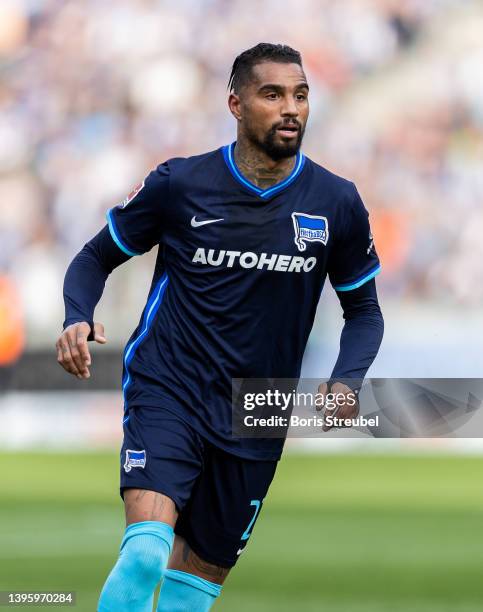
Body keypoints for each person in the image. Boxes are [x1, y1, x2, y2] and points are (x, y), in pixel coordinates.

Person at [57, 43, 384, 612]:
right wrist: (76, 317)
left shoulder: (336, 202)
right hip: (170, 384)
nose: (291, 108)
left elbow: (365, 312)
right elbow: (94, 258)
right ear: (235, 104)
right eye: (273, 94)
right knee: (144, 555)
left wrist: (347, 380)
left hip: (259, 409)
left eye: (301, 95)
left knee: (189, 597)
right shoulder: (181, 184)